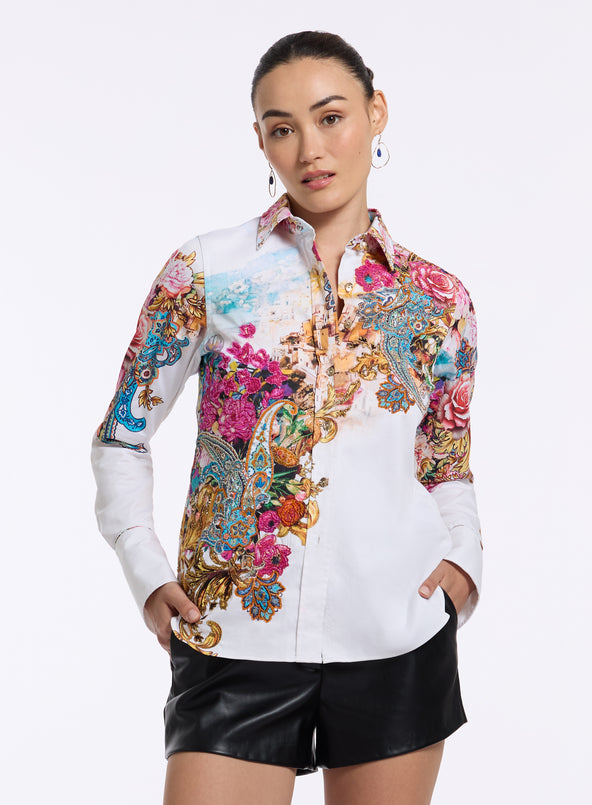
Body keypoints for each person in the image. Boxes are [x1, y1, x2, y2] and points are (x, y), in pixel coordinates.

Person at [91, 30, 482, 805]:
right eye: (282, 128)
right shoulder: (206, 271)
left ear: (375, 113)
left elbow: (444, 460)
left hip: (397, 637)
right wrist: (145, 568)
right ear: (261, 140)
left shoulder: (439, 300)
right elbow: (121, 437)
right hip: (233, 636)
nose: (310, 149)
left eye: (331, 117)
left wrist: (465, 566)